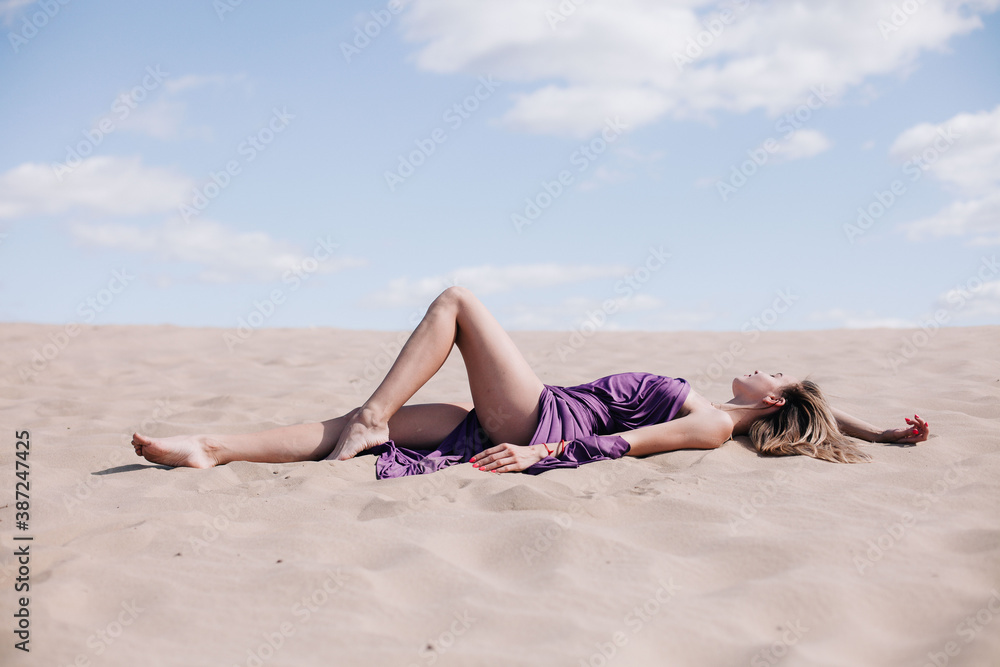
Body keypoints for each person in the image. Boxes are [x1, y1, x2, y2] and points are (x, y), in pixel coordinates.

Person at [131, 286, 930, 476]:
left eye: (775, 371)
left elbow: (626, 441)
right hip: (522, 417)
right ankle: (211, 447)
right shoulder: (729, 406)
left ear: (770, 399)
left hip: (539, 419)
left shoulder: (714, 424)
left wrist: (540, 457)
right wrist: (880, 433)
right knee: (349, 425)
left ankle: (376, 416)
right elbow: (815, 407)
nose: (763, 363)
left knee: (457, 302)